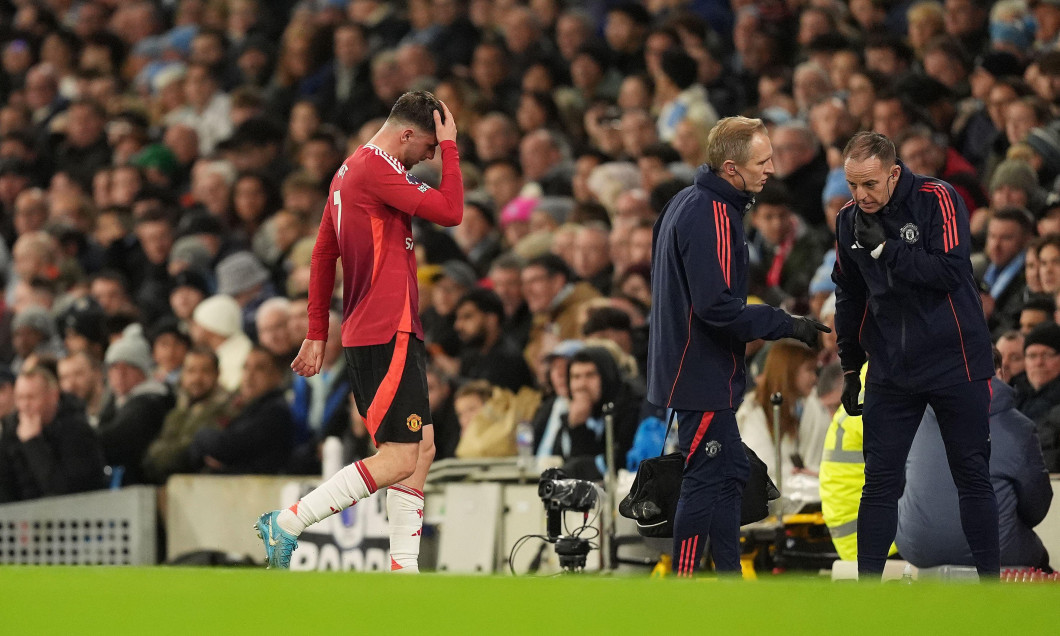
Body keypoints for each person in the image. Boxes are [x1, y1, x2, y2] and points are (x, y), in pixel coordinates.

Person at [255, 91, 463, 572]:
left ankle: (403, 569)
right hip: (386, 328)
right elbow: (452, 211)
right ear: (407, 133)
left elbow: (322, 254)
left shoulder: (348, 173)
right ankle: (287, 523)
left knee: (422, 449)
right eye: (430, 146)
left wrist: (315, 331)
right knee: (397, 458)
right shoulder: (377, 171)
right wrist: (453, 149)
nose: (432, 156)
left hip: (378, 328)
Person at [648, 116, 829, 577]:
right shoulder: (713, 214)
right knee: (705, 480)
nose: (771, 169)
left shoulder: (683, 203)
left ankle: (728, 580)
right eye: (762, 161)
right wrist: (786, 324)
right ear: (731, 168)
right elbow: (717, 308)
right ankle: (686, 587)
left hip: (690, 368)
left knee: (730, 478)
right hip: (701, 375)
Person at [831, 131, 999, 579]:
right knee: (880, 484)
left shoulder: (937, 197)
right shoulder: (848, 219)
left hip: (955, 361)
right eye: (853, 185)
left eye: (870, 184)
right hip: (891, 369)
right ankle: (868, 596)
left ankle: (995, 593)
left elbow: (950, 271)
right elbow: (848, 295)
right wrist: (850, 365)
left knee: (972, 476)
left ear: (894, 173)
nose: (861, 195)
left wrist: (887, 248)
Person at [897, 353, 1053, 571]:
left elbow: (897, 484)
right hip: (998, 549)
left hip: (917, 548)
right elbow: (1036, 504)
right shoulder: (1018, 428)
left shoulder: (913, 420)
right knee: (1041, 564)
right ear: (999, 374)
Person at [0, 366, 106, 503]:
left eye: (31, 397)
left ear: (53, 396)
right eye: (20, 398)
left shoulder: (77, 431)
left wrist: (33, 444)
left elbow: (64, 493)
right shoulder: (11, 431)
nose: (25, 405)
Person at [142, 347, 233, 484]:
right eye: (191, 371)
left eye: (205, 371)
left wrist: (165, 453)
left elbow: (192, 454)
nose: (197, 378)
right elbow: (150, 458)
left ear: (217, 374)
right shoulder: (176, 412)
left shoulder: (228, 409)